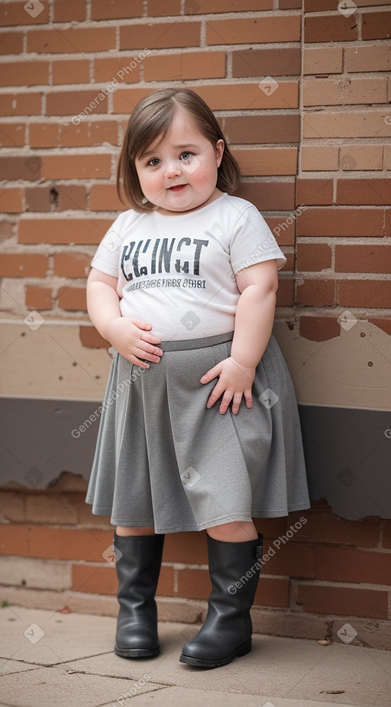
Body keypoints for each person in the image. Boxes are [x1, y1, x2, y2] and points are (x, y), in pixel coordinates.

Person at [85, 88, 310, 669]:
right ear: (136, 171)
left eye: (186, 154)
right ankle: (134, 611)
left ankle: (229, 622)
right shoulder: (130, 223)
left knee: (227, 503)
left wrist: (241, 361)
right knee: (134, 503)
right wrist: (113, 327)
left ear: (218, 151)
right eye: (152, 161)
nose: (171, 171)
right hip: (140, 386)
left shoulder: (235, 215)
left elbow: (260, 288)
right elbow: (99, 285)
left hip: (217, 386)